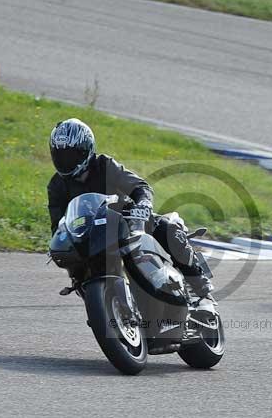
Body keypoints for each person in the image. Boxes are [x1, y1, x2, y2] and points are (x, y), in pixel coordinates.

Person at [47, 118, 214, 299]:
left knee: (167, 228)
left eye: (71, 156)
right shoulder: (56, 185)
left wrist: (143, 204)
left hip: (126, 221)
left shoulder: (104, 165)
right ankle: (100, 296)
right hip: (91, 235)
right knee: (73, 261)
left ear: (86, 150)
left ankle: (198, 282)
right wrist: (59, 244)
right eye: (60, 155)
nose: (65, 161)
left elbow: (139, 186)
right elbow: (58, 224)